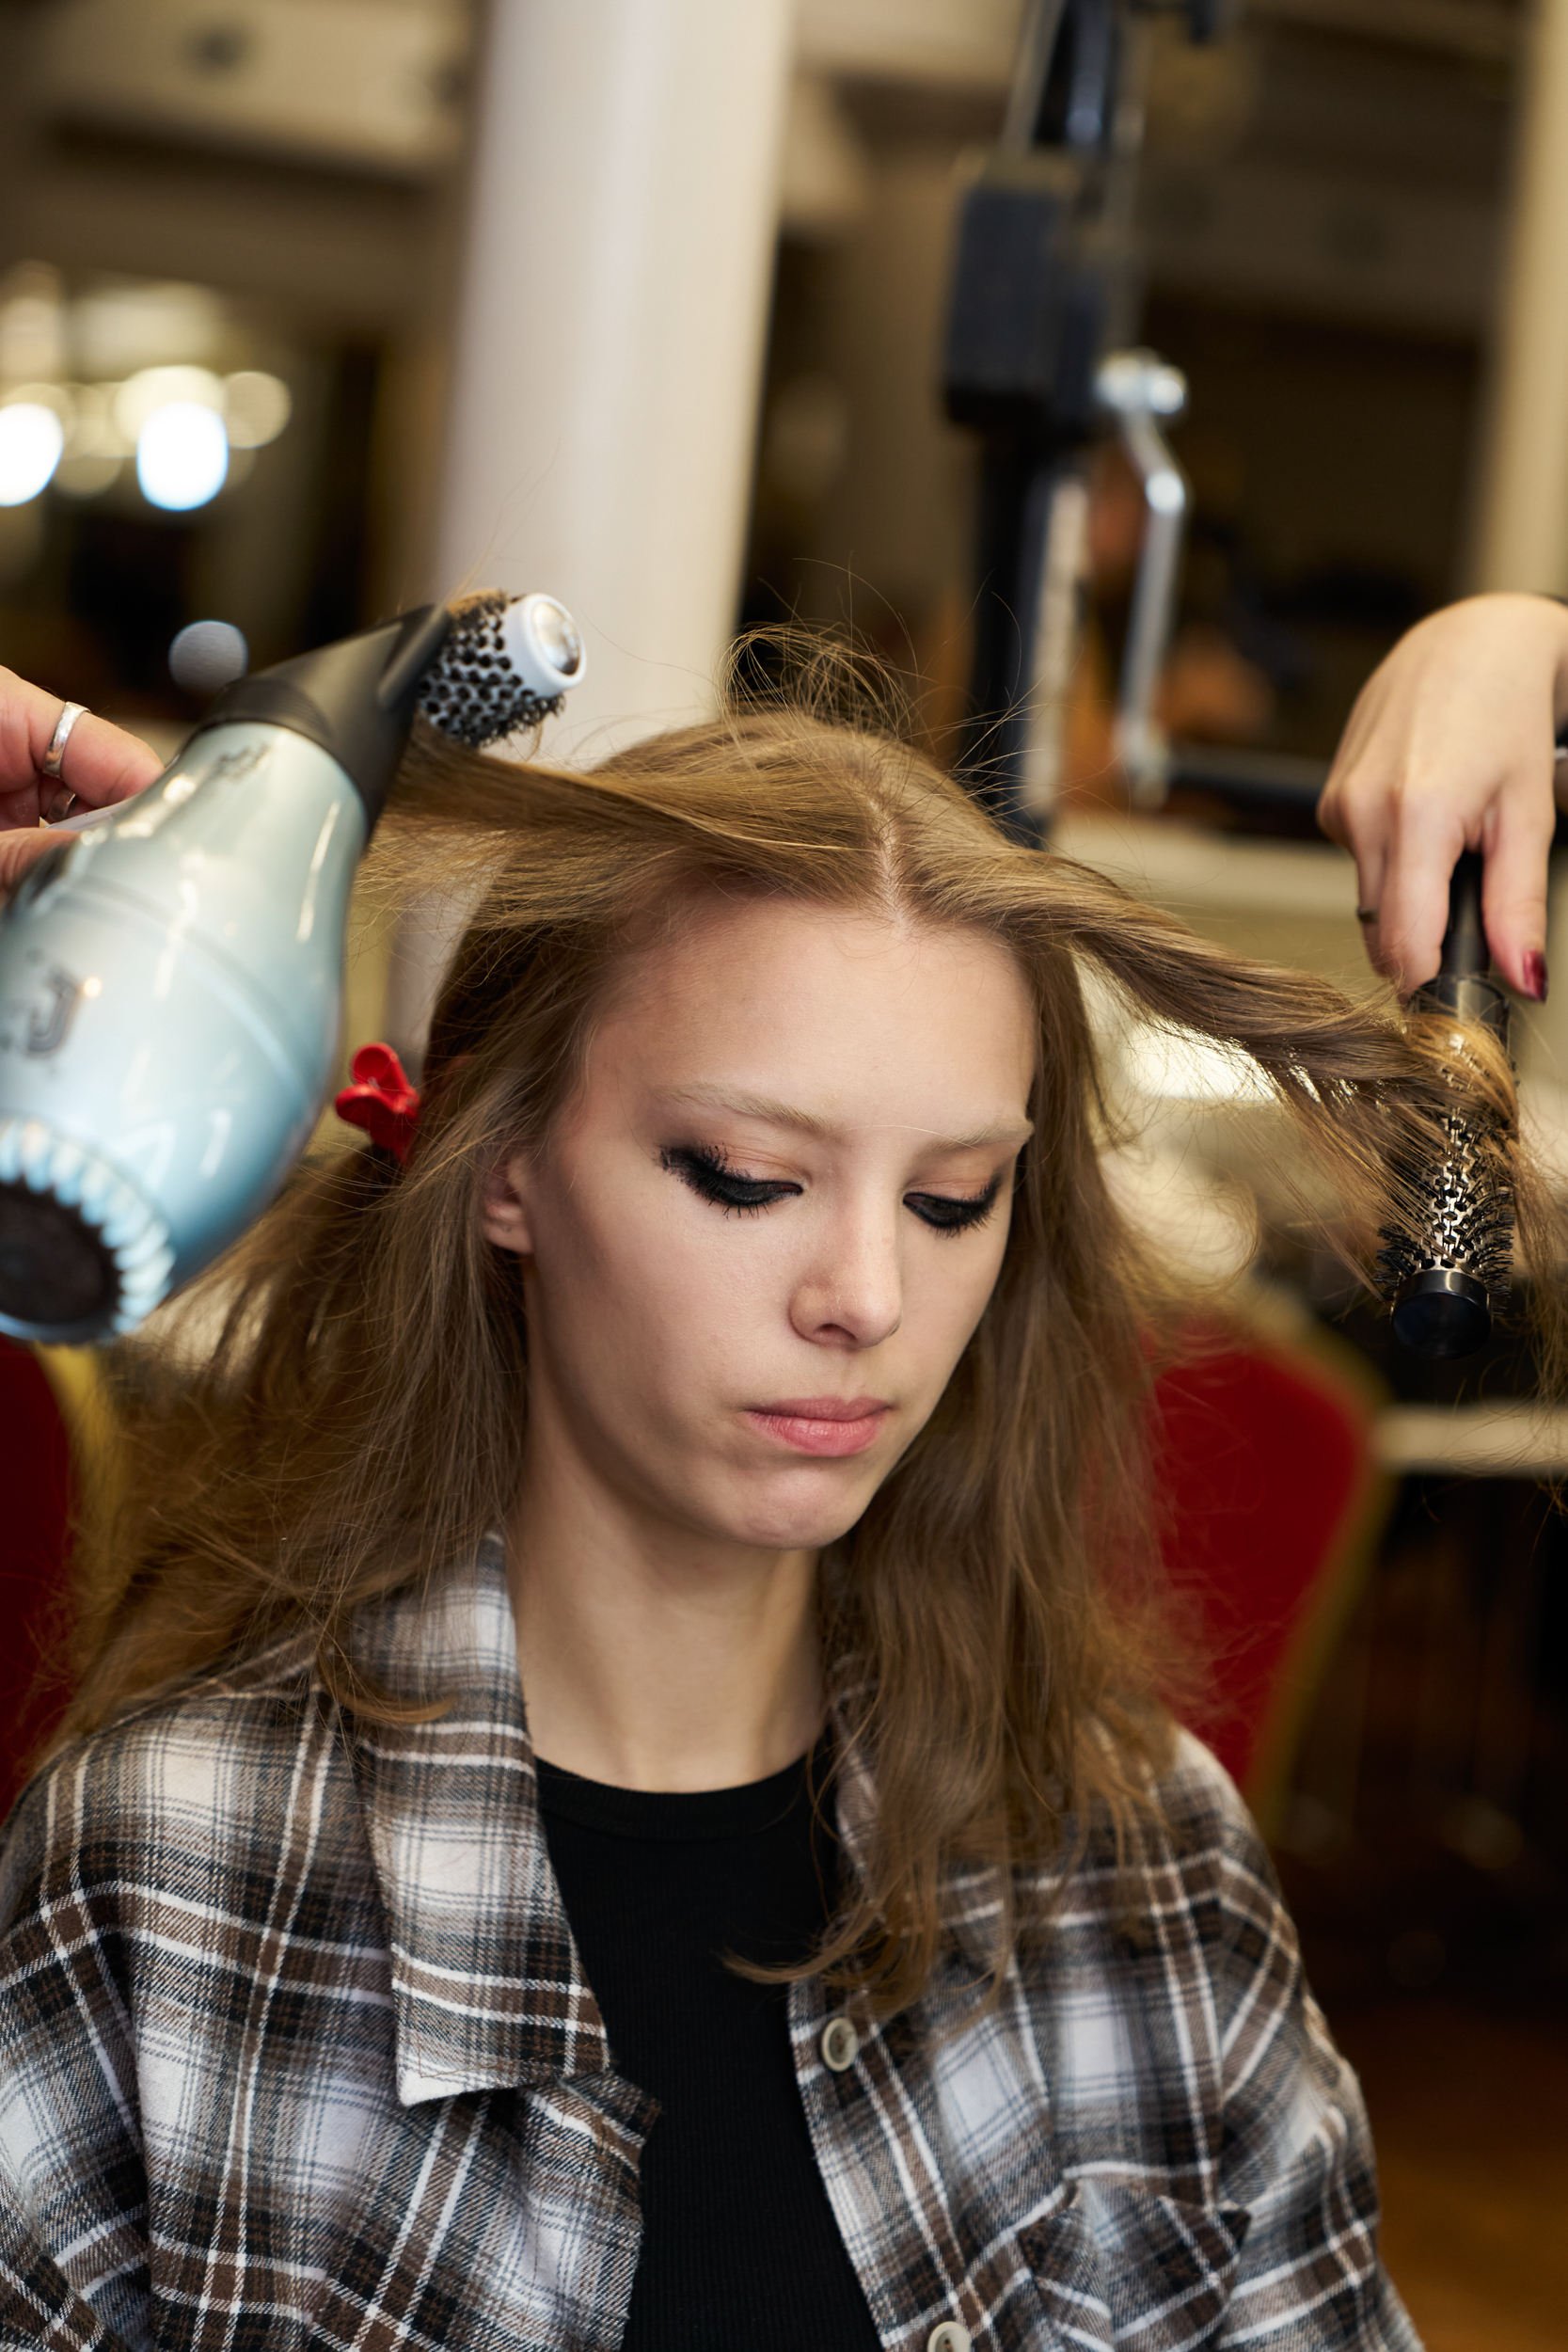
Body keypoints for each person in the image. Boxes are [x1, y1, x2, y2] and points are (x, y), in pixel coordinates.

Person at [0, 600, 1559, 2351]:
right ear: (500, 1166)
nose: (867, 1300)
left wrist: (1526, 639)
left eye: (952, 1198)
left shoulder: (1131, 1863)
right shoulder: (183, 1869)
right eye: (748, 1177)